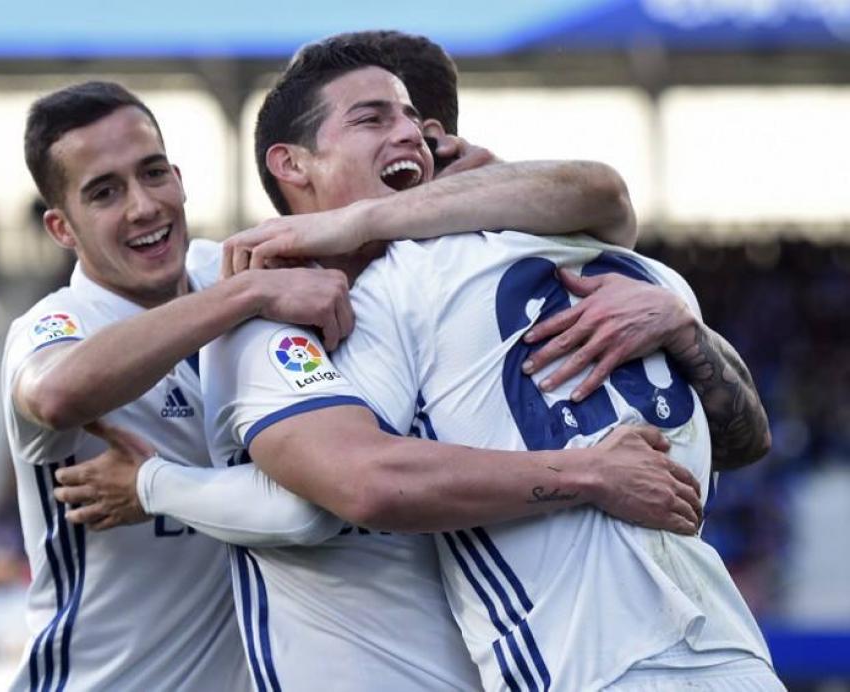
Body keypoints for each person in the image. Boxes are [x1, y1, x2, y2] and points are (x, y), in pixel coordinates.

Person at [58, 40, 776, 691]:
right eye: (375, 120)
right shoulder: (272, 313)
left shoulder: (576, 273)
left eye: (419, 128)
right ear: (291, 164)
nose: (411, 141)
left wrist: (684, 331)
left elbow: (740, 437)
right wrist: (590, 474)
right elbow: (333, 494)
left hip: (660, 654)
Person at [3, 80, 359, 691]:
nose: (143, 207)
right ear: (62, 229)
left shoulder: (221, 268)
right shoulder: (55, 325)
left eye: (152, 174)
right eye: (105, 193)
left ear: (179, 176)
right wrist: (243, 295)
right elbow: (54, 393)